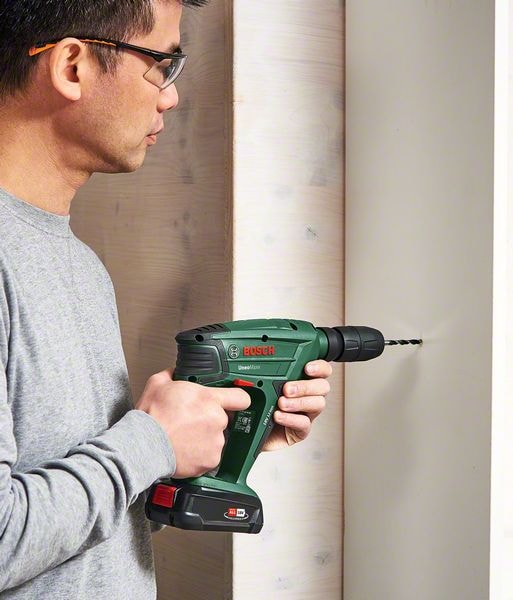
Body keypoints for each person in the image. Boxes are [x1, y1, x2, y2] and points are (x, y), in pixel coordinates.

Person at [0, 0, 332, 597]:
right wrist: (150, 440)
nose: (171, 96)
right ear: (72, 65)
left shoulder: (80, 265)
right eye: (161, 63)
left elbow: (78, 530)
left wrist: (210, 444)